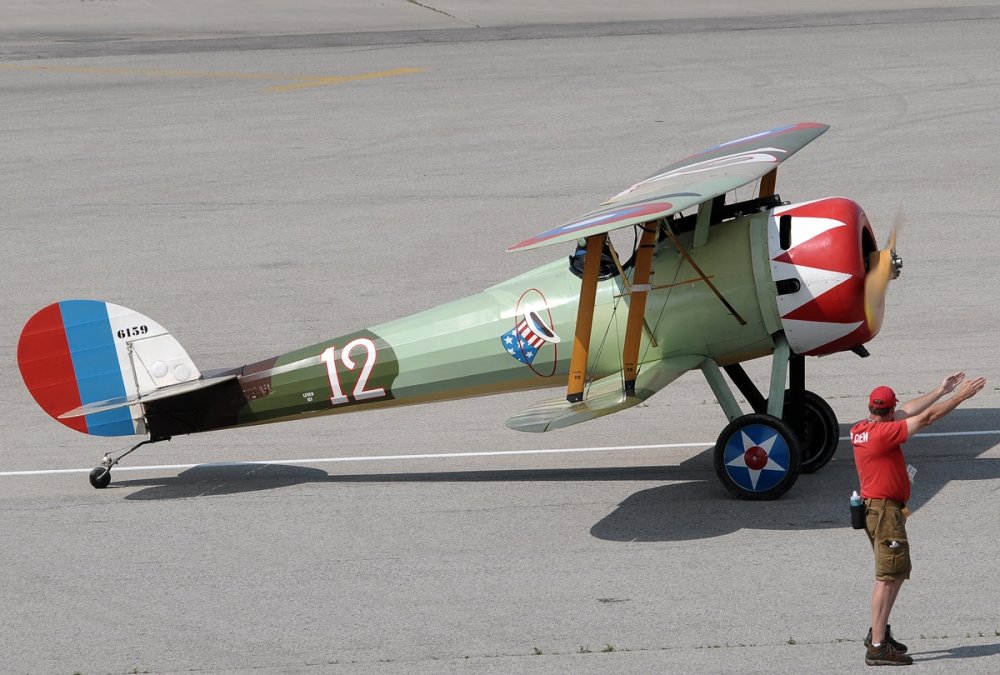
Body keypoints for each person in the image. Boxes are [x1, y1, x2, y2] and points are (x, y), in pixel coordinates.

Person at [851, 371, 986, 666]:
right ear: (888, 412)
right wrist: (960, 396)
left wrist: (940, 389)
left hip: (879, 510)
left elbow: (910, 410)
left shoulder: (862, 429)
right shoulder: (886, 434)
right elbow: (925, 419)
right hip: (885, 512)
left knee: (895, 573)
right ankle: (877, 646)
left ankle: (878, 631)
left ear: (871, 409)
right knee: (887, 578)